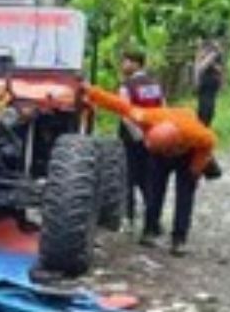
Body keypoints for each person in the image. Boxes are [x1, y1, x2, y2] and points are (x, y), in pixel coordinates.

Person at [86, 85, 221, 255]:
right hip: (160, 151)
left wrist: (196, 168)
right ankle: (150, 230)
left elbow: (208, 144)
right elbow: (120, 105)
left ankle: (179, 239)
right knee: (154, 190)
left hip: (188, 154)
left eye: (166, 151)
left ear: (176, 145)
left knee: (185, 195)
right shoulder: (147, 117)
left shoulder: (197, 134)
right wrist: (91, 92)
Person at [117, 51, 166, 223]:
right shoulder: (155, 84)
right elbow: (163, 109)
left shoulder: (127, 86)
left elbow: (125, 114)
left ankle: (128, 215)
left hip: (132, 139)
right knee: (149, 177)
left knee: (128, 176)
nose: (123, 66)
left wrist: (137, 136)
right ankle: (152, 217)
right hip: (153, 137)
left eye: (126, 62)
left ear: (137, 64)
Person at [194, 40, 225, 127]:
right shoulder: (206, 52)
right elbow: (198, 68)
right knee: (203, 103)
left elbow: (202, 67)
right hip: (205, 81)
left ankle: (205, 124)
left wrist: (206, 60)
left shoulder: (214, 53)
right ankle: (202, 124)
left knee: (207, 103)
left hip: (210, 81)